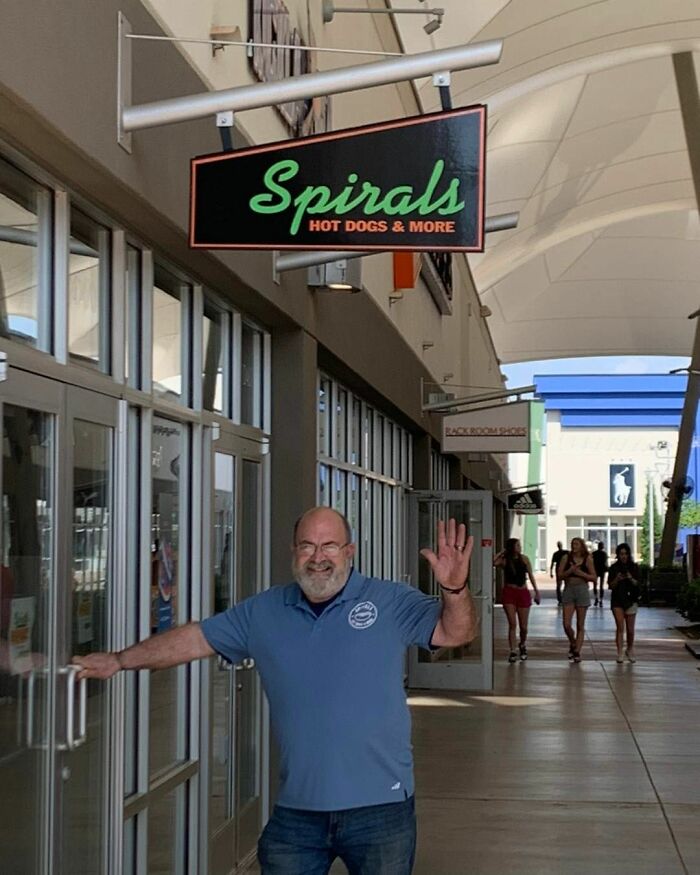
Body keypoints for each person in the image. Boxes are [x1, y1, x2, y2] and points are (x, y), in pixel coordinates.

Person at [73, 507, 477, 875]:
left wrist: (455, 590)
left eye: (329, 545)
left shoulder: (389, 601)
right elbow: (196, 639)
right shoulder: (265, 611)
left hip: (381, 809)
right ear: (293, 551)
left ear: (349, 551)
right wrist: (120, 660)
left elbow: (456, 632)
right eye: (307, 546)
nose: (318, 556)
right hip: (298, 812)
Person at [494, 538, 540, 662]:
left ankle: (523, 644)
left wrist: (536, 592)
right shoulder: (505, 560)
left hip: (523, 592)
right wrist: (502, 552)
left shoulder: (524, 559)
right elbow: (493, 562)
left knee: (523, 626)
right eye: (517, 545)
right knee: (512, 624)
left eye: (519, 545)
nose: (519, 547)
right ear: (511, 547)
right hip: (510, 592)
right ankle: (513, 650)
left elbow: (530, 575)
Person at [558, 537, 596, 663]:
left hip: (582, 589)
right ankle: (573, 642)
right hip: (569, 589)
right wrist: (570, 571)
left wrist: (581, 574)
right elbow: (560, 575)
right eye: (573, 544)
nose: (574, 546)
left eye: (577, 544)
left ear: (581, 546)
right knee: (566, 624)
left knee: (580, 624)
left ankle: (577, 651)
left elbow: (594, 577)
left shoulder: (587, 559)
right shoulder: (566, 558)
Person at [608, 542, 641, 663]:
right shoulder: (614, 568)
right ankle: (620, 652)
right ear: (618, 555)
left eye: (626, 554)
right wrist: (617, 579)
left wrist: (630, 577)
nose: (624, 556)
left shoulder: (634, 567)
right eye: (621, 554)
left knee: (630, 629)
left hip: (631, 599)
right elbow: (610, 585)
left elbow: (638, 583)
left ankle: (630, 649)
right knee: (620, 627)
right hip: (617, 600)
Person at [549, 540, 567, 606]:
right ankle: (562, 599)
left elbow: (552, 563)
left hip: (559, 570)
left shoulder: (556, 554)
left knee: (559, 585)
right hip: (564, 570)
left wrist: (551, 572)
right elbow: (552, 563)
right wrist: (551, 572)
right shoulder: (565, 552)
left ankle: (560, 600)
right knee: (565, 585)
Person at [592, 541, 608, 607]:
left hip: (595, 570)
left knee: (595, 585)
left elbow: (592, 562)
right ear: (602, 546)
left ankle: (596, 598)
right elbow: (605, 562)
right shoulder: (604, 554)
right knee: (601, 586)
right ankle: (601, 600)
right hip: (602, 571)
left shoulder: (594, 553)